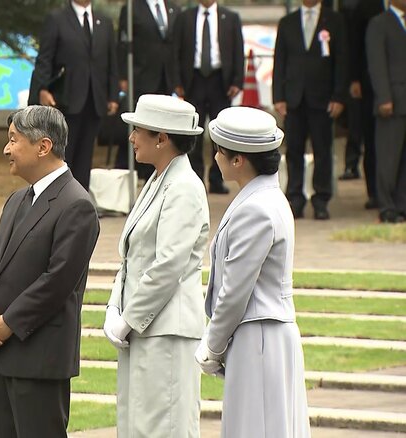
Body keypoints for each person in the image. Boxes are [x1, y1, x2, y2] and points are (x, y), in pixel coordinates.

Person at [0, 105, 100, 437]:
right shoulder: (16, 200)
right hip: (1, 354)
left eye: (14, 140)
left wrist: (10, 323)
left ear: (43, 146)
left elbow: (58, 281)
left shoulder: (76, 204)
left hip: (40, 358)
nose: (7, 149)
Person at [196, 106, 311, 438]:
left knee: (256, 429)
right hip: (262, 334)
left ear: (238, 161)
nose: (215, 156)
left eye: (219, 150)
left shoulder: (257, 208)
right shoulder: (263, 198)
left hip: (259, 333)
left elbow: (235, 291)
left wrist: (212, 345)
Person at [104, 94, 209, 437]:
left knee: (164, 427)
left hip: (167, 331)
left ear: (162, 138)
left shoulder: (184, 188)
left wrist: (128, 319)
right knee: (136, 425)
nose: (131, 138)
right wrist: (113, 307)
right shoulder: (157, 180)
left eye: (138, 131)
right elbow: (133, 253)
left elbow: (168, 264)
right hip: (145, 328)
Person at [28, 0, 119, 191]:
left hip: (95, 100)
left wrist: (112, 95)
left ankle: (80, 202)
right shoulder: (57, 19)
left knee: (85, 157)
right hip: (66, 100)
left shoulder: (104, 22)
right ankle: (58, 201)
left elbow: (112, 61)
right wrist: (42, 89)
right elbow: (45, 59)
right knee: (63, 154)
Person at [273, 0, 348, 220]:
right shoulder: (287, 22)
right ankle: (295, 198)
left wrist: (338, 96)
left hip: (322, 98)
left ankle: (321, 199)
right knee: (294, 149)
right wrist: (278, 96)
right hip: (294, 99)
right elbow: (280, 61)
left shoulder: (334, 21)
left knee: (323, 150)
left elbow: (342, 61)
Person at [173, 0, 244, 195]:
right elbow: (175, 52)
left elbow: (239, 51)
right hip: (192, 81)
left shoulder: (230, 18)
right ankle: (195, 178)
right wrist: (177, 82)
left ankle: (217, 178)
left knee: (219, 132)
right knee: (193, 130)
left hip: (220, 81)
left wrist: (237, 81)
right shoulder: (184, 18)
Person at [113, 0, 179, 180]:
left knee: (161, 128)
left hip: (165, 80)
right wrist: (123, 76)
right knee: (139, 127)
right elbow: (123, 42)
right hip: (141, 77)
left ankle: (155, 170)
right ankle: (128, 172)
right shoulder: (132, 8)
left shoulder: (173, 7)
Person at [338, 0, 383, 215]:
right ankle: (374, 192)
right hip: (367, 84)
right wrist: (354, 78)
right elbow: (354, 43)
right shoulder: (367, 6)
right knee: (370, 137)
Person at [366, 0, 406, 223]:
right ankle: (387, 205)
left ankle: (402, 203)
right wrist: (384, 97)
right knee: (388, 157)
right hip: (392, 101)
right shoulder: (379, 23)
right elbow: (377, 63)